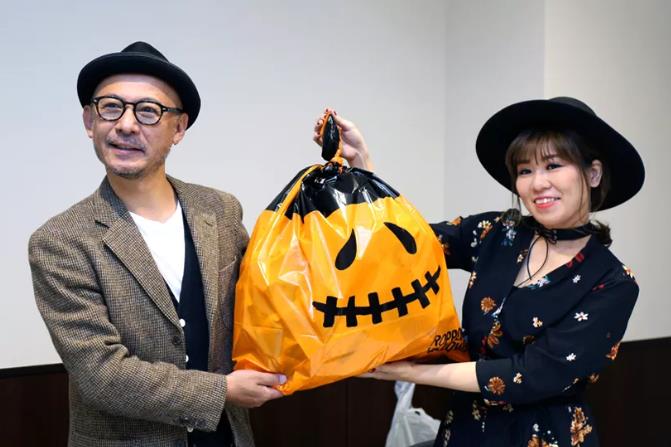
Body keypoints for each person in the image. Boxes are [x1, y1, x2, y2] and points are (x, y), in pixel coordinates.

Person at [313, 99, 644, 446]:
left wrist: (414, 372)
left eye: (553, 165)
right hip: (464, 430)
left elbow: (530, 374)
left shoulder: (612, 282)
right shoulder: (497, 233)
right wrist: (361, 162)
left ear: (593, 174)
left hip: (544, 435)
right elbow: (405, 245)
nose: (537, 183)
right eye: (525, 170)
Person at [29, 42, 285, 447]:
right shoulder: (60, 241)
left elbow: (266, 299)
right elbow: (101, 374)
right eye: (111, 107)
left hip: (226, 437)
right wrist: (222, 392)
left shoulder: (220, 210)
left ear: (179, 128)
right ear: (89, 121)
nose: (127, 125)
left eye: (148, 111)